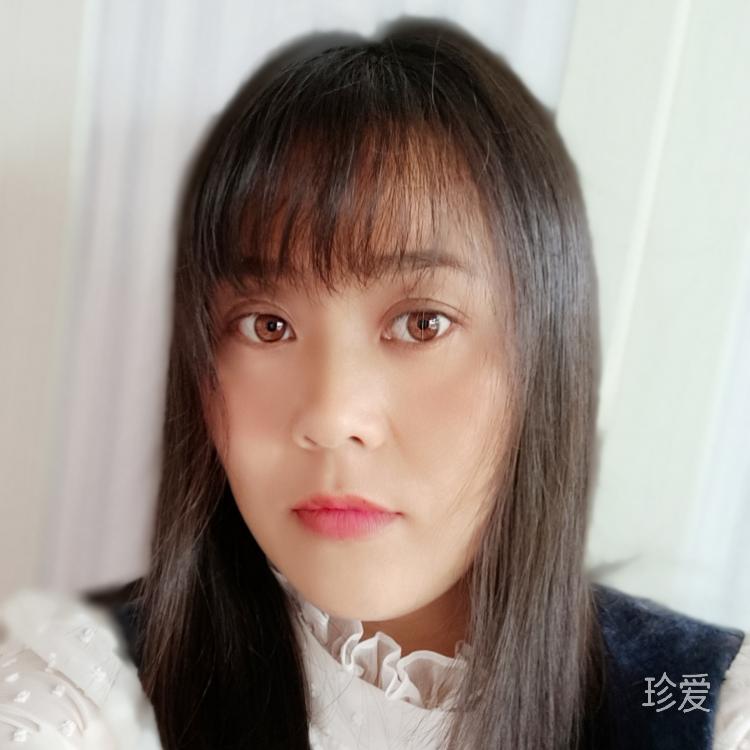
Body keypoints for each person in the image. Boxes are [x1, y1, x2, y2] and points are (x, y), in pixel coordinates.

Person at [0, 18, 748, 750]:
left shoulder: (701, 702)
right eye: (267, 325)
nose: (331, 416)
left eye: (422, 323)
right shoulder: (86, 690)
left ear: (543, 358)